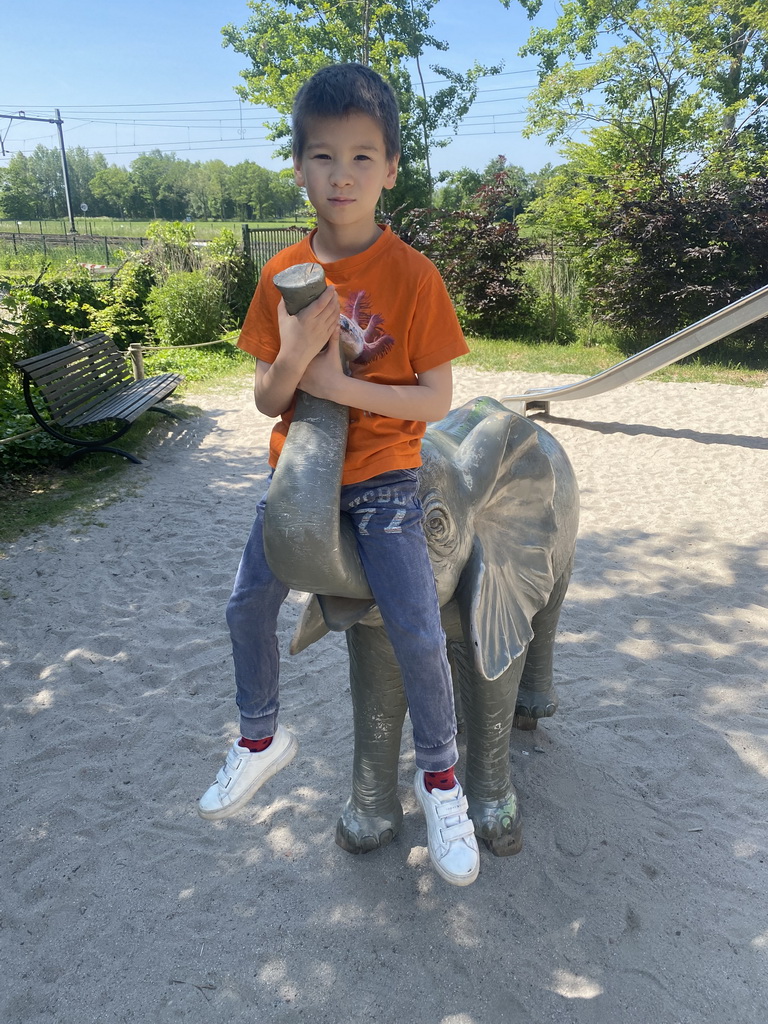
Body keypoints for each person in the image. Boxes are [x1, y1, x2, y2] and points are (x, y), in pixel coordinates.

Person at [198, 63, 479, 886]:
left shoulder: (414, 277)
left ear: (391, 168)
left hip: (386, 477)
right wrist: (293, 356)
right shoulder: (282, 271)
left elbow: (434, 399)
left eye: (363, 157)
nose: (343, 174)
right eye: (324, 156)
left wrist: (337, 384)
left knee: (418, 630)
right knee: (246, 604)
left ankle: (440, 780)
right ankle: (260, 738)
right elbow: (265, 399)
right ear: (299, 166)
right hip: (299, 479)